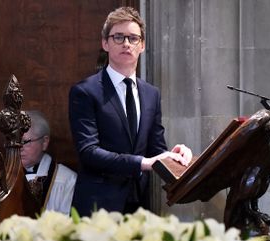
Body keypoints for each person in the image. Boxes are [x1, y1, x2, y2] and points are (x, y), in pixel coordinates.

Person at [69, 6, 192, 217]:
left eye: (133, 38)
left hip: (140, 205)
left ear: (142, 45)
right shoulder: (85, 92)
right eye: (118, 37)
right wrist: (142, 163)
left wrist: (175, 156)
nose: (126, 43)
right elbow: (89, 151)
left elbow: (155, 150)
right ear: (105, 43)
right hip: (97, 207)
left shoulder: (151, 93)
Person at [20, 110, 77, 214]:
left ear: (44, 142)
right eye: (14, 142)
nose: (19, 148)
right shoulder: (4, 179)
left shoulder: (67, 180)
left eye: (25, 142)